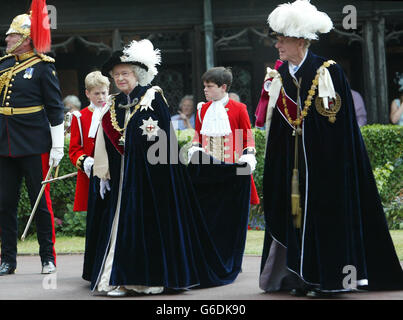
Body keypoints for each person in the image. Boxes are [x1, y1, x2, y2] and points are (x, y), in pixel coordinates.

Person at [84, 39, 251, 297]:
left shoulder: (153, 97)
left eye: (125, 73)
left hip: (156, 179)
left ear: (137, 74)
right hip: (126, 181)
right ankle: (118, 279)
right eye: (116, 74)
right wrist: (105, 171)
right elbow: (107, 141)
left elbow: (164, 145)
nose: (120, 78)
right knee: (121, 226)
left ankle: (143, 280)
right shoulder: (114, 104)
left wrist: (244, 159)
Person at [259, 0, 403, 297]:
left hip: (326, 167)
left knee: (325, 217)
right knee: (295, 217)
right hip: (294, 168)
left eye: (282, 40)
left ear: (300, 40)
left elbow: (335, 125)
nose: (277, 46)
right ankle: (300, 276)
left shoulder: (327, 71)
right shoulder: (280, 75)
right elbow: (279, 128)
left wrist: (328, 163)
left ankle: (331, 280)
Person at [0, 1, 65, 276]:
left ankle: (47, 258)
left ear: (26, 39)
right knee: (5, 203)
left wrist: (58, 146)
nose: (7, 38)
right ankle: (8, 259)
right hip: (4, 141)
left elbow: (55, 108)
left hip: (35, 142)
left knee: (40, 203)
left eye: (12, 35)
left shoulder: (43, 67)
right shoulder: (3, 64)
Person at [189, 67, 260, 205]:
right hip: (209, 170)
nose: (205, 89)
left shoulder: (239, 108)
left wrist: (248, 158)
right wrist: (195, 152)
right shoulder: (202, 109)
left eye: (209, 86)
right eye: (204, 86)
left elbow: (247, 139)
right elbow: (198, 137)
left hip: (233, 168)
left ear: (223, 87)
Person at [69, 71, 110, 212]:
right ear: (87, 94)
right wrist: (87, 162)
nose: (101, 97)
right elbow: (74, 150)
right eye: (96, 94)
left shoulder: (115, 113)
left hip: (113, 170)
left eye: (104, 93)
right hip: (90, 174)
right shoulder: (80, 117)